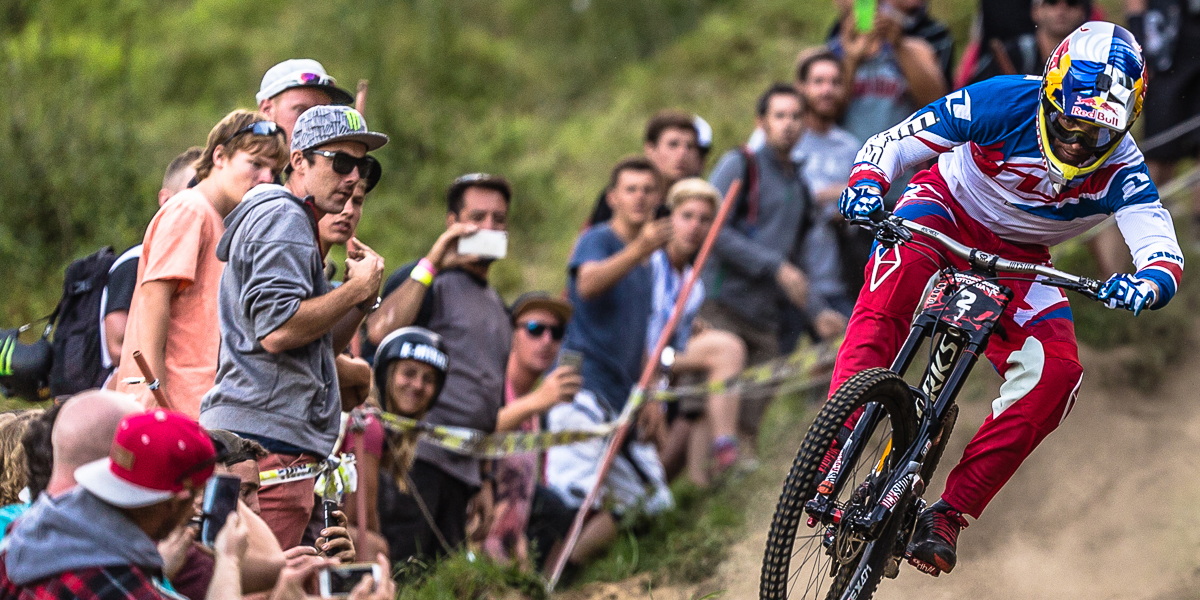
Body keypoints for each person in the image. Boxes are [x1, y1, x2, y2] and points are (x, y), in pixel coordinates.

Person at [834, 24, 1181, 575]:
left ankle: (947, 513)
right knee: (885, 300)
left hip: (1023, 260)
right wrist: (869, 180)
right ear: (1050, 93)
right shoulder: (1001, 98)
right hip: (944, 210)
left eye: (1097, 134)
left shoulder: (1124, 169)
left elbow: (1161, 249)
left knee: (1058, 376)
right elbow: (893, 143)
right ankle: (832, 455)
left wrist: (1148, 282)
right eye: (1069, 121)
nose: (1076, 142)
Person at [199, 104, 387, 550]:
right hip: (267, 439)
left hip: (273, 437)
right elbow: (278, 331)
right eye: (340, 161)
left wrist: (359, 299)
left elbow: (314, 343)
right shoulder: (285, 219)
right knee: (262, 585)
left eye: (363, 165)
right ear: (299, 161)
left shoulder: (295, 221)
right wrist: (352, 291)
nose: (353, 176)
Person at [364, 173, 515, 561]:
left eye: (499, 220)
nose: (489, 228)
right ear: (452, 222)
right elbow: (380, 331)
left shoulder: (497, 305)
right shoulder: (427, 279)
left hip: (463, 469)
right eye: (477, 217)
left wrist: (484, 479)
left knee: (439, 579)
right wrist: (434, 260)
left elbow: (490, 398)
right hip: (413, 459)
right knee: (403, 570)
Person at [545, 156, 674, 569]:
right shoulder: (599, 239)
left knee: (653, 501)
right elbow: (587, 284)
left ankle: (565, 574)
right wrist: (640, 247)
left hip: (620, 397)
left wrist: (649, 394)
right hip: (581, 389)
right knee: (572, 501)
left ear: (658, 198)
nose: (639, 198)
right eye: (630, 189)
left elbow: (638, 337)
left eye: (647, 190)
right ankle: (536, 579)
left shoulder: (649, 264)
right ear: (612, 197)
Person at [704, 84, 844, 463]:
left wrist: (817, 312)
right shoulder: (740, 164)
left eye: (796, 117)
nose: (788, 125)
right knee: (704, 418)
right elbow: (712, 230)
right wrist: (773, 266)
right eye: (779, 116)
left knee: (748, 424)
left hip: (766, 319)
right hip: (720, 307)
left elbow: (795, 266)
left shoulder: (799, 186)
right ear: (761, 122)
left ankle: (730, 500)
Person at [115, 111, 288, 418]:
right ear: (220, 156)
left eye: (273, 171)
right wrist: (156, 393)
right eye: (256, 164)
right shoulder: (190, 210)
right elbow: (154, 298)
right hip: (168, 409)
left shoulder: (221, 221)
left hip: (201, 407)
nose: (266, 178)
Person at [0, 410, 242, 599]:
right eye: (198, 494)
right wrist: (229, 560)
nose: (195, 509)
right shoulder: (113, 581)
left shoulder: (30, 530)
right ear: (177, 499)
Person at [649, 179, 748, 487]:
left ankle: (714, 461)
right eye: (687, 216)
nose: (695, 226)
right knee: (725, 349)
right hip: (635, 359)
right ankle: (720, 450)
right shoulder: (649, 263)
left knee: (721, 357)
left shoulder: (694, 284)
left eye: (705, 220)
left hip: (663, 362)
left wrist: (690, 327)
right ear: (670, 218)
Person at [484, 292, 580, 567]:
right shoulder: (491, 385)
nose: (547, 341)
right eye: (535, 329)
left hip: (509, 557)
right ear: (510, 333)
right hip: (468, 554)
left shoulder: (539, 411)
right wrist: (538, 401)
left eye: (557, 332)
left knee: (557, 509)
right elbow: (475, 435)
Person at [102, 147, 202, 377]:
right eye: (194, 188)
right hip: (125, 391)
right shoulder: (135, 261)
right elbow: (118, 348)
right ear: (165, 199)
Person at [366, 327, 453, 561]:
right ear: (387, 373)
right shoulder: (367, 424)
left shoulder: (397, 436)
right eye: (409, 373)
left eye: (429, 379)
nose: (417, 385)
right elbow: (363, 524)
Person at [827, 0, 949, 147]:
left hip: (902, 161)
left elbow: (938, 106)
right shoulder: (828, 56)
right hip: (847, 161)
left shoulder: (916, 50)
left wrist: (899, 45)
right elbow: (824, 116)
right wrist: (851, 59)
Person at [1128, 0, 1200, 243]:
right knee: (1159, 153)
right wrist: (1139, 46)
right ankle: (1142, 225)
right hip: (1165, 50)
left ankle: (1195, 235)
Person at [584, 110, 705, 227]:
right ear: (650, 149)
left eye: (690, 147)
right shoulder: (621, 196)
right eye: (673, 144)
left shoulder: (698, 201)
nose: (683, 153)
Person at [969, 0, 1091, 83]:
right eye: (1052, 2)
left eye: (1071, 3)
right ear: (1035, 11)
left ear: (1083, 13)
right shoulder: (1012, 55)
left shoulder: (1091, 59)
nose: (1061, 10)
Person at [256, 59, 354, 142]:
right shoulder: (244, 161)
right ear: (267, 110)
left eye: (325, 114)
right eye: (302, 111)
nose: (317, 123)